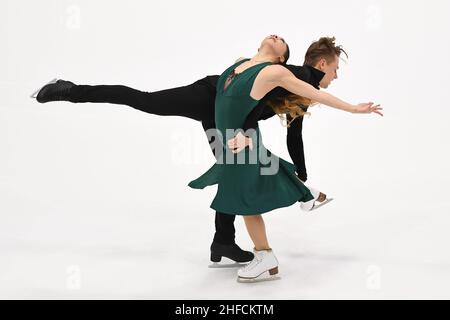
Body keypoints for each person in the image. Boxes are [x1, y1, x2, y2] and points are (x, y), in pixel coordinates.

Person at [187, 35, 382, 282]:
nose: (336, 76)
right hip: (234, 125)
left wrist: (299, 167)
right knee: (246, 192)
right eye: (335, 70)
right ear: (322, 64)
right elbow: (259, 99)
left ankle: (265, 253)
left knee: (246, 196)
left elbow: (295, 120)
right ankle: (300, 201)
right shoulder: (276, 70)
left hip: (239, 132)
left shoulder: (286, 76)